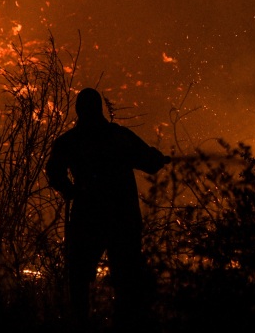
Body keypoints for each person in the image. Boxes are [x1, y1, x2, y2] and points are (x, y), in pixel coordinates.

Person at [46, 87, 170, 329]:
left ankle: (82, 324)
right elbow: (150, 163)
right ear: (100, 108)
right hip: (122, 218)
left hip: (87, 217)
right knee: (127, 280)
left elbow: (54, 172)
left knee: (80, 278)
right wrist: (157, 157)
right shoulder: (119, 137)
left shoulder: (69, 141)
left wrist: (70, 190)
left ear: (79, 110)